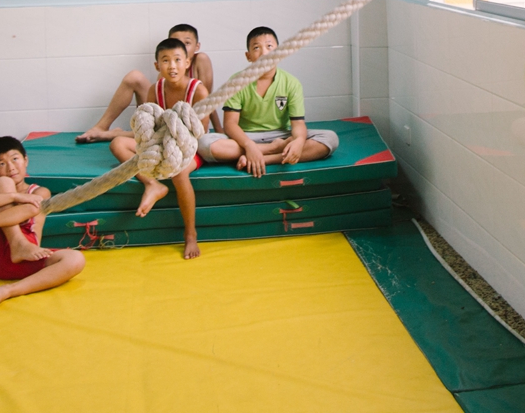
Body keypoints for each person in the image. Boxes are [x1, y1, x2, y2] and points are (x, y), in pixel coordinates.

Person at [108, 37, 208, 259]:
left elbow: (201, 133)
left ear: (187, 63)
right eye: (165, 60)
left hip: (189, 148)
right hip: (162, 143)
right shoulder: (156, 89)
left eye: (177, 60)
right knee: (117, 144)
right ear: (157, 66)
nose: (172, 66)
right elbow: (152, 124)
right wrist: (158, 146)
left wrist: (175, 144)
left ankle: (190, 234)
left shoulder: (198, 92)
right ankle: (152, 185)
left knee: (179, 172)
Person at [198, 27, 338, 177]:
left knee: (330, 138)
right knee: (205, 144)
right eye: (257, 48)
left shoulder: (291, 83)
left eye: (269, 46)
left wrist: (298, 141)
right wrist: (249, 145)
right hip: (246, 137)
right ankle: (270, 150)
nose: (264, 52)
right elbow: (230, 125)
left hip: (281, 135)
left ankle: (267, 159)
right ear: (248, 56)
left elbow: (298, 124)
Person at [0, 136, 85, 311]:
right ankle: (17, 244)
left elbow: (31, 210)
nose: (11, 167)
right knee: (4, 183)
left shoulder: (39, 192)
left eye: (15, 159)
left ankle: (7, 291)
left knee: (76, 259)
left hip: (25, 260)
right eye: (1, 164)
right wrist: (15, 196)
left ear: (25, 160)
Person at [77, 24, 218, 143]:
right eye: (176, 41)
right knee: (134, 76)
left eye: (187, 43)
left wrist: (220, 131)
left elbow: (208, 102)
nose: (181, 45)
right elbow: (159, 116)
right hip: (166, 121)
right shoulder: (162, 76)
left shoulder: (201, 61)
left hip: (188, 126)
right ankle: (102, 127)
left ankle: (114, 134)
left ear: (197, 46)